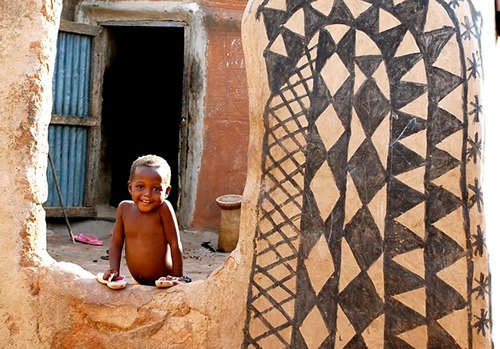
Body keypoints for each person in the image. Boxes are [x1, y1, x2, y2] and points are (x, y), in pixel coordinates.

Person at [101, 154, 185, 288]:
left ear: (167, 191)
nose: (147, 193)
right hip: (137, 281)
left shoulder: (163, 209)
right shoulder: (124, 209)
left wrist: (178, 276)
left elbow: (175, 244)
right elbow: (116, 243)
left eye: (156, 189)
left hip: (164, 280)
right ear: (130, 188)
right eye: (140, 187)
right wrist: (114, 270)